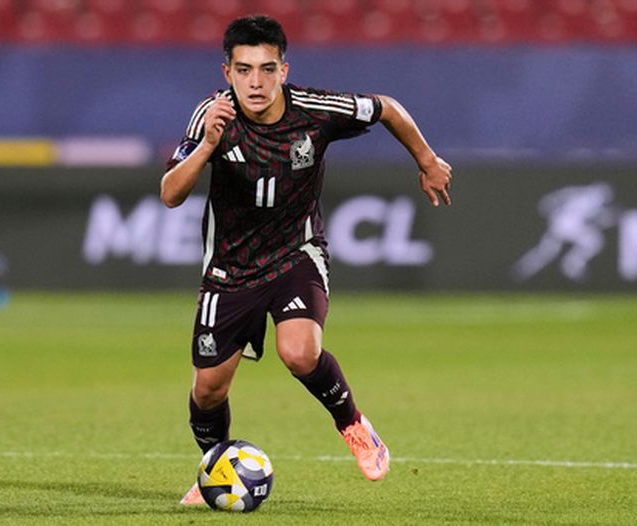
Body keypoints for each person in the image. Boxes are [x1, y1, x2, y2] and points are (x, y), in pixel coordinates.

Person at [161, 15, 452, 506]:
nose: (256, 82)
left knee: (299, 352)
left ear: (284, 70)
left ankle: (354, 425)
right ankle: (216, 466)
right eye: (244, 70)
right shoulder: (212, 115)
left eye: (267, 69)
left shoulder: (315, 111)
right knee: (208, 390)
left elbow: (388, 108)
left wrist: (426, 160)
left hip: (296, 253)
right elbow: (170, 194)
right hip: (230, 269)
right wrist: (208, 144)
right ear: (228, 73)